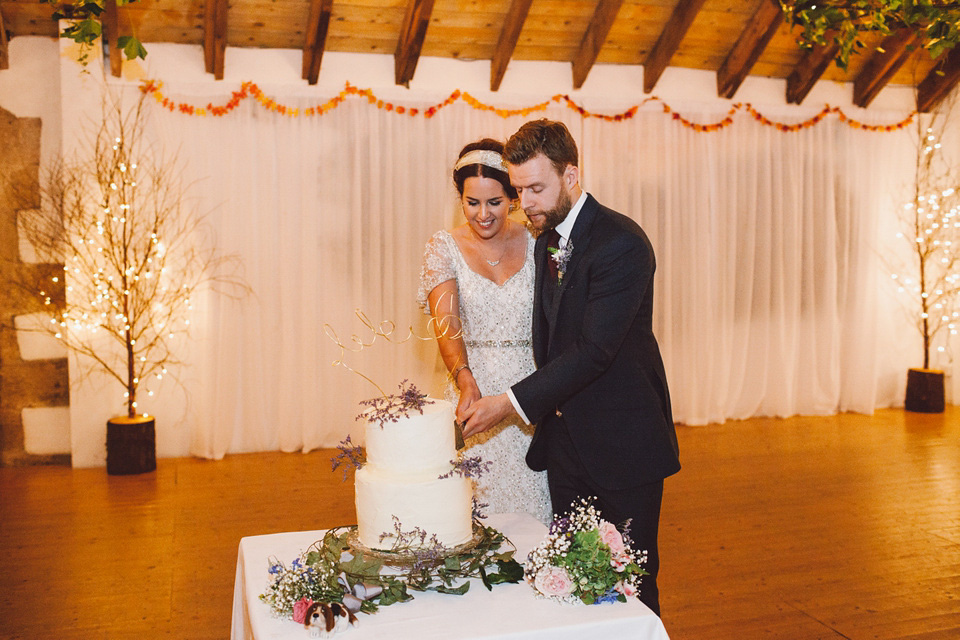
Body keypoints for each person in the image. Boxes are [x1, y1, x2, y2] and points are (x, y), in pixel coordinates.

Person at [461, 120, 680, 616]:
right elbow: (551, 340)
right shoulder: (546, 241)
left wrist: (509, 403)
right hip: (566, 447)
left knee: (632, 588)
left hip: (624, 444)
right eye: (520, 191)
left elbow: (595, 350)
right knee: (573, 582)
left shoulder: (621, 242)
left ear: (571, 175)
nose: (527, 203)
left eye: (536, 188)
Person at [418, 138, 552, 524]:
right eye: (471, 202)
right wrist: (464, 378)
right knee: (474, 511)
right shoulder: (442, 247)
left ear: (513, 196)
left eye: (494, 202)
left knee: (539, 508)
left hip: (533, 390)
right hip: (472, 390)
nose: (483, 214)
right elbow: (448, 327)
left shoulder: (539, 241)